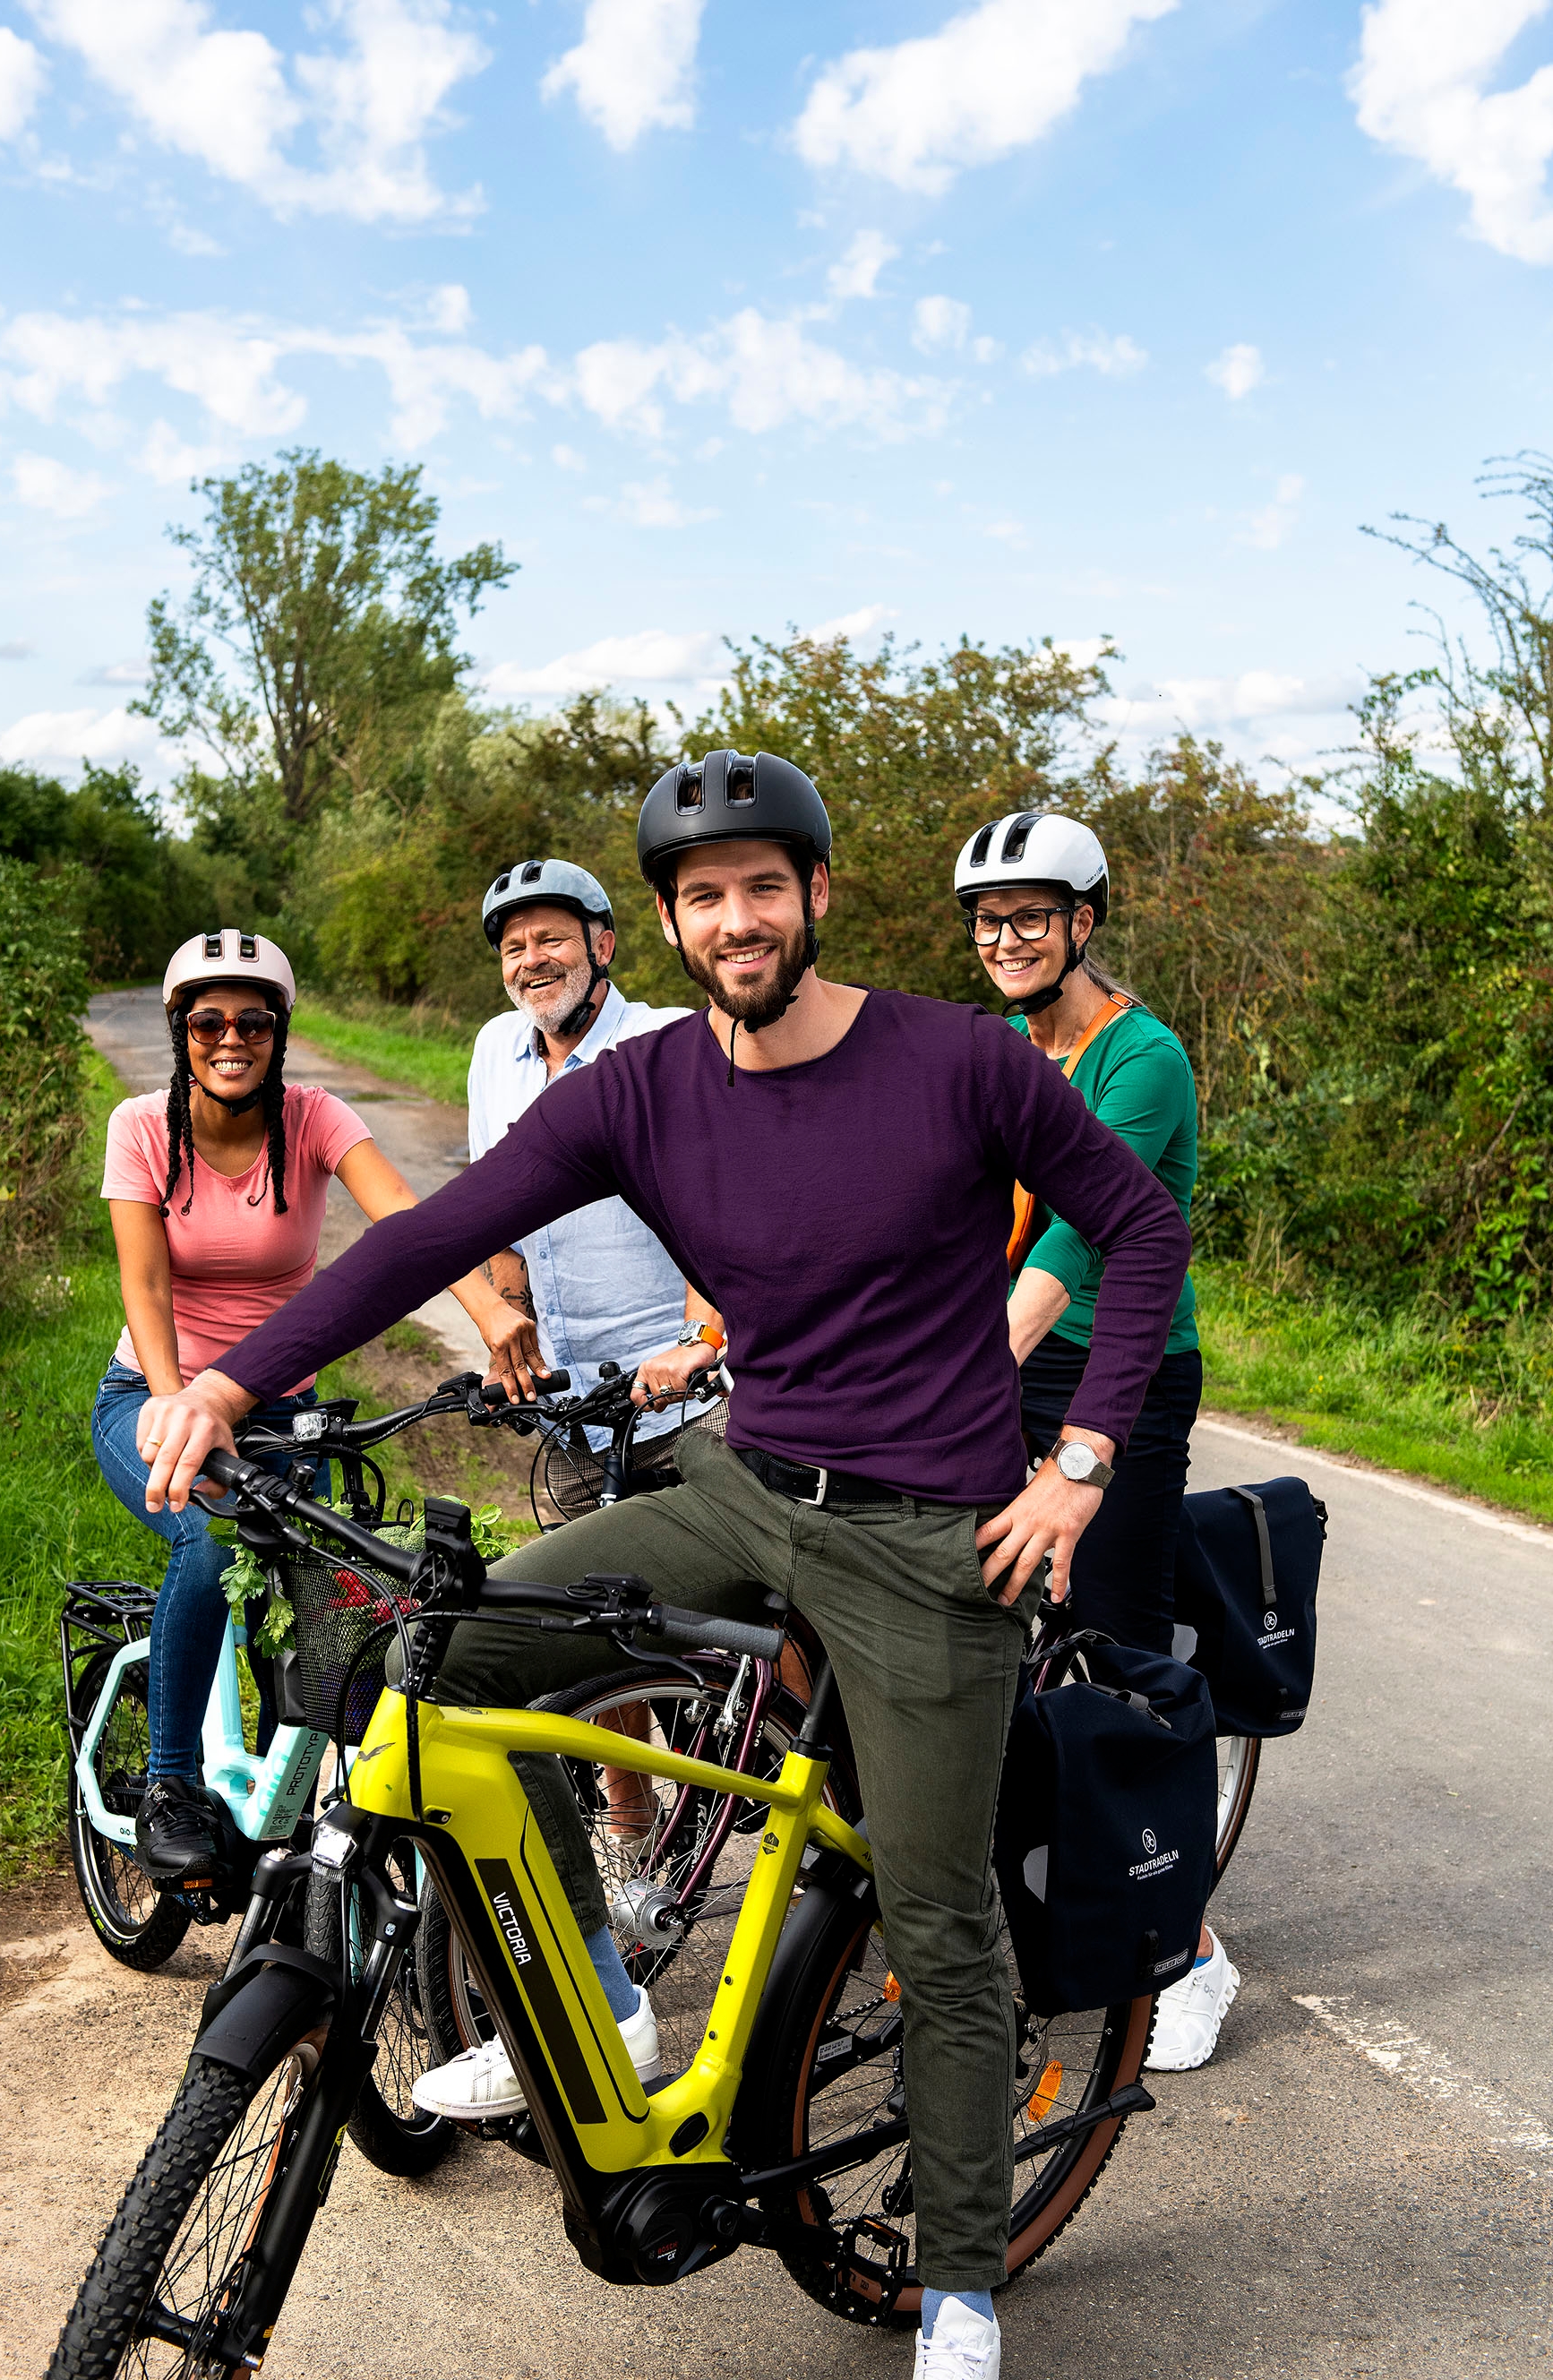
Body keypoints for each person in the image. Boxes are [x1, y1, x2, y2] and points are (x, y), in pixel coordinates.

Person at [133, 757, 1191, 2380]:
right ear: (671, 924)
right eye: (705, 894)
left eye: (765, 884)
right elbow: (428, 1236)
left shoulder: (956, 1060)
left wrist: (1082, 1461)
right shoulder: (641, 1091)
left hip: (930, 1534)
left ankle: (961, 2287)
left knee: (940, 1916)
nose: (738, 917)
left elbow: (1142, 1225)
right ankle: (604, 1996)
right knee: (443, 1658)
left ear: (817, 894)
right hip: (740, 1488)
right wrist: (224, 1380)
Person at [92, 927, 510, 1886]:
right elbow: (143, 1285)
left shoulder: (315, 1118)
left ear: (279, 1032)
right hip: (150, 1394)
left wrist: (490, 1314)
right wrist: (175, 1403)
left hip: (282, 1411)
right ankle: (169, 1782)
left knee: (329, 1588)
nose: (230, 1039)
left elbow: (410, 1224)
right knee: (212, 1544)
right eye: (208, 1021)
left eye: (253, 1021)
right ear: (181, 1031)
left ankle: (321, 1802)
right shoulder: (141, 1126)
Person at [952, 811, 1236, 2074]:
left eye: (1029, 915)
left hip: (1125, 1372)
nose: (1005, 938)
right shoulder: (1007, 1047)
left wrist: (977, 1357)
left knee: (1113, 1652)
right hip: (1009, 1353)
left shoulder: (1143, 1054)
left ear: (1081, 922)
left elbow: (1076, 1228)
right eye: (987, 919)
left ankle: (1193, 1951)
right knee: (975, 1611)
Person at [468, 858, 725, 1464]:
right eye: (513, 948)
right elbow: (495, 1222)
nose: (531, 960)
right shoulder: (495, 1049)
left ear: (602, 947)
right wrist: (513, 1348)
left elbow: (722, 1207)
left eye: (551, 940)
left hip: (686, 1404)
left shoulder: (666, 1043)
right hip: (569, 1415)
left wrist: (700, 1341)